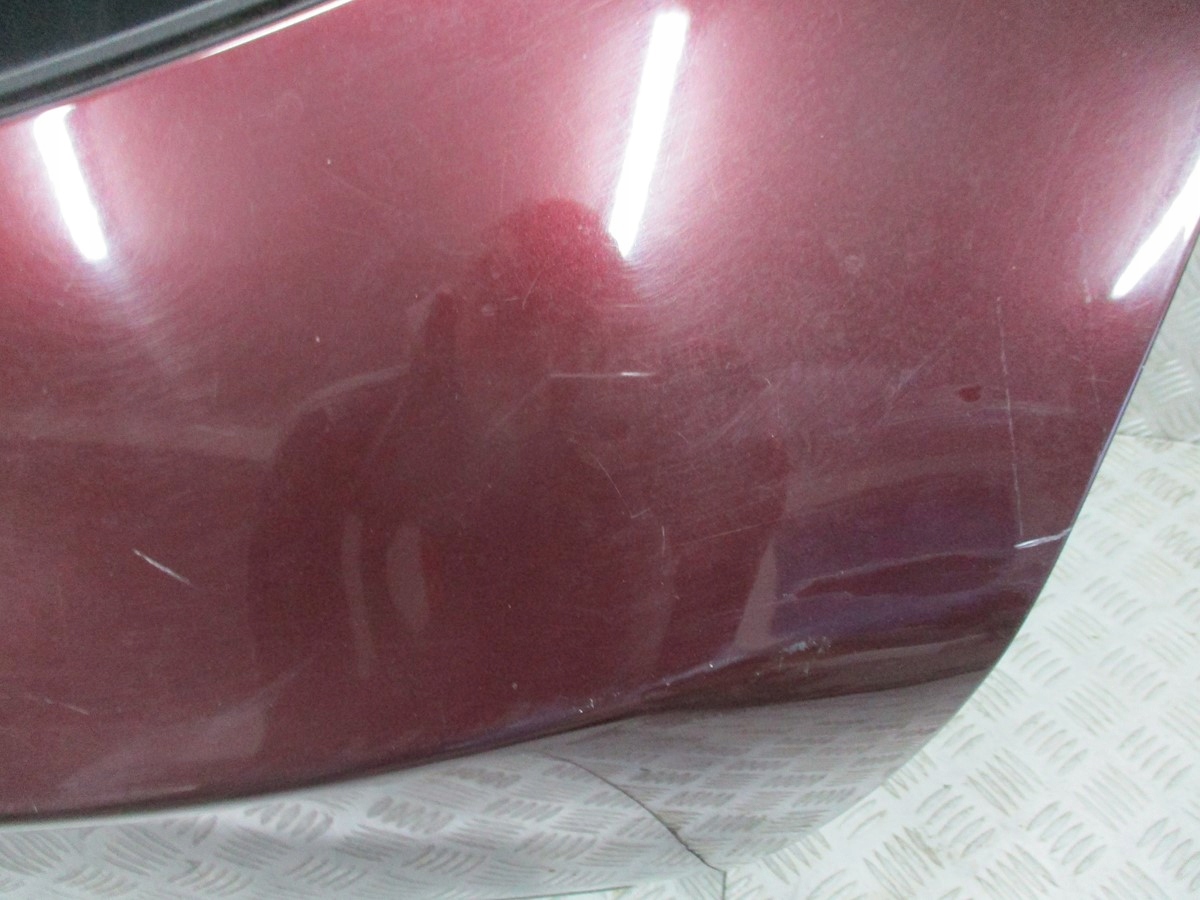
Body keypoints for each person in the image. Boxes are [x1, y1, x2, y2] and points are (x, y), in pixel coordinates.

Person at [247, 199, 789, 772]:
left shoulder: (661, 451)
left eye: (575, 325)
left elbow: (685, 667)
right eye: (513, 315)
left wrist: (677, 484)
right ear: (450, 315)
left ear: (615, 338)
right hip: (399, 761)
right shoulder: (338, 445)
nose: (541, 351)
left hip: (596, 752)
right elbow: (298, 707)